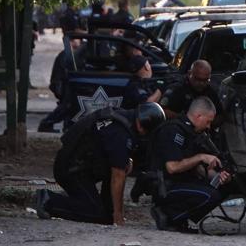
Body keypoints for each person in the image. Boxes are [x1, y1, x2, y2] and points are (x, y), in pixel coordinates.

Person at [34, 103, 166, 225]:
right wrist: (119, 214)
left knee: (106, 217)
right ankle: (48, 200)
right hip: (71, 170)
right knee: (96, 213)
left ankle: (101, 208)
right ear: (142, 126)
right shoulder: (120, 133)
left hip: (78, 165)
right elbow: (117, 176)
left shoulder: (123, 118)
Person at [149, 97, 231, 232]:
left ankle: (179, 219)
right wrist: (201, 157)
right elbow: (172, 167)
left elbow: (197, 169)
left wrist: (219, 176)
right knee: (210, 195)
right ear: (199, 116)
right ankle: (168, 215)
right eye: (208, 121)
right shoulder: (173, 130)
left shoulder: (192, 133)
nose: (209, 126)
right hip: (166, 186)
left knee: (224, 188)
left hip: (183, 182)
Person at [37, 36, 84, 132]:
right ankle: (46, 124)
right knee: (65, 107)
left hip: (66, 86)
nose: (81, 43)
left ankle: (67, 127)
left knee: (69, 109)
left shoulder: (73, 55)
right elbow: (60, 77)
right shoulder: (66, 55)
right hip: (63, 86)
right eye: (79, 39)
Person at [159, 60, 223, 122]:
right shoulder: (178, 87)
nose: (201, 83)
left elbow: (220, 115)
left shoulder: (209, 91)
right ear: (189, 73)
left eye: (205, 80)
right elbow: (162, 110)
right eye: (198, 79)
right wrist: (185, 119)